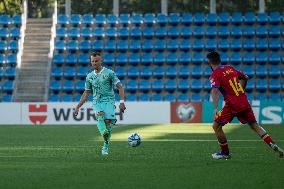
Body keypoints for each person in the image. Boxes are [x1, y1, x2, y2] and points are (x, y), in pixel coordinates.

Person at [207, 51, 283, 159]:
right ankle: (272, 144)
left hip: (232, 104)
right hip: (243, 101)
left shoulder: (215, 74)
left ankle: (225, 153)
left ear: (210, 63)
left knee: (216, 126)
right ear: (219, 60)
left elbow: (215, 91)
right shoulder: (230, 68)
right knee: (255, 126)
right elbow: (245, 77)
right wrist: (241, 89)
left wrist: (215, 108)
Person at [74, 51, 126, 155]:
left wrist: (121, 102)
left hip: (109, 101)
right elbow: (86, 93)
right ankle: (104, 133)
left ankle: (105, 145)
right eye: (92, 61)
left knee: (108, 123)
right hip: (97, 101)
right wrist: (78, 106)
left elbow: (120, 86)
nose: (94, 63)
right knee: (100, 115)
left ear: (100, 61)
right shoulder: (89, 76)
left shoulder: (109, 73)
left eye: (96, 61)